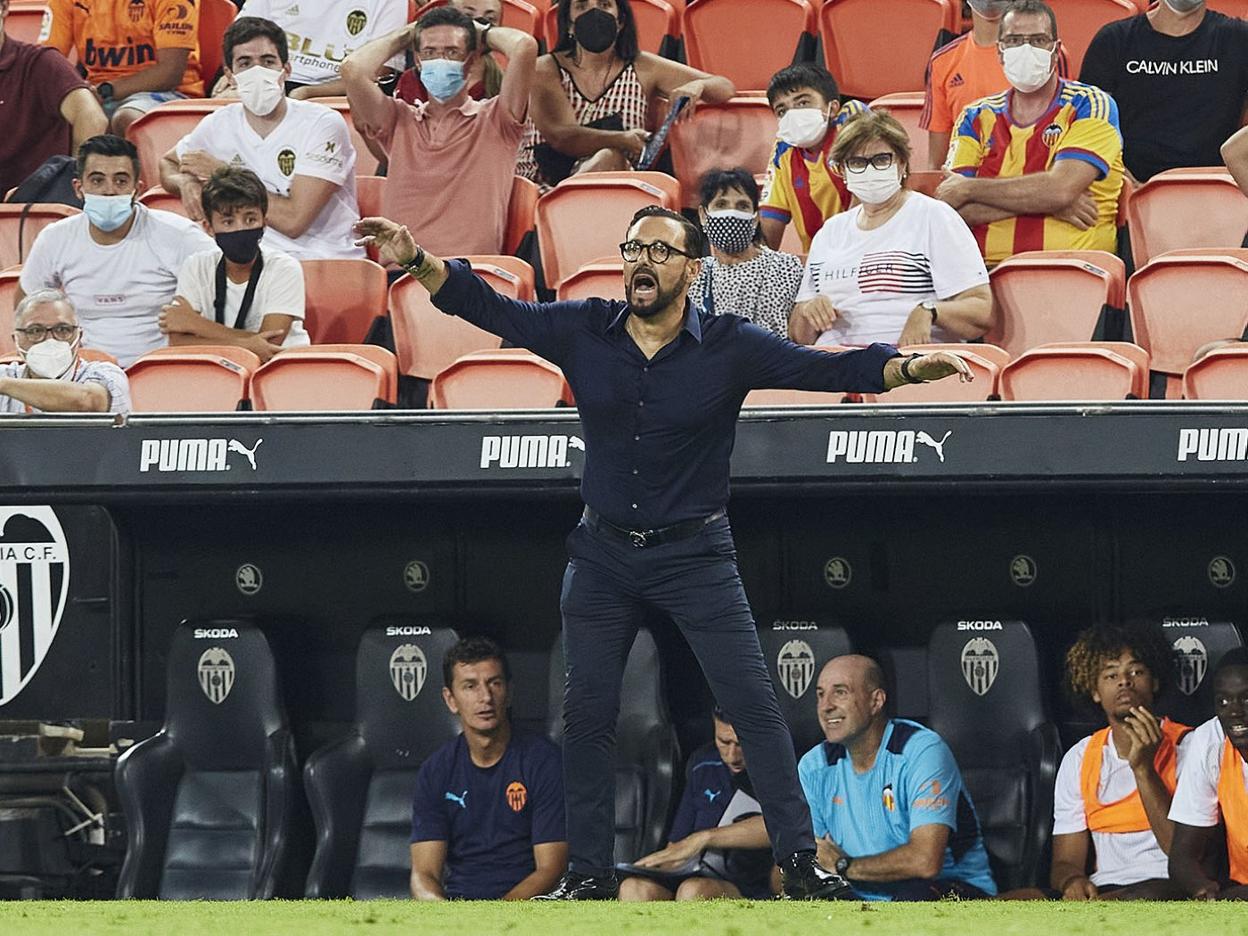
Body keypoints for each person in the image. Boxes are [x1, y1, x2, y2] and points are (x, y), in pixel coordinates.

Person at [353, 205, 972, 901]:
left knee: (755, 706)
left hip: (695, 556)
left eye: (659, 250)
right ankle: (587, 874)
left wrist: (903, 369)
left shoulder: (730, 344)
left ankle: (800, 863)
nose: (641, 261)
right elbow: (488, 308)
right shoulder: (584, 327)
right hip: (603, 556)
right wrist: (415, 258)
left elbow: (822, 368)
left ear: (692, 269)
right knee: (584, 713)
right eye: (633, 249)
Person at [936, 0, 1125, 269]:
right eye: (1014, 40)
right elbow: (952, 207)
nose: (1026, 49)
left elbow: (1061, 188)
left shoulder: (1091, 103)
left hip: (1073, 270)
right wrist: (1047, 203)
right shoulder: (974, 115)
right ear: (1000, 52)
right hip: (983, 274)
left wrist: (970, 188)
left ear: (1055, 50)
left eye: (1038, 40)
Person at [160, 17, 365, 261]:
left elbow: (294, 221)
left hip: (322, 258)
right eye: (245, 63)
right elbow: (168, 163)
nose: (257, 72)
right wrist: (185, 183)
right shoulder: (219, 123)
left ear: (286, 69)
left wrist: (222, 173)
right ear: (230, 75)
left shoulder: (322, 123)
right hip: (246, 259)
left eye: (267, 62)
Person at [798, 655, 997, 901]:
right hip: (858, 896)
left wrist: (842, 866)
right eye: (820, 694)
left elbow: (925, 862)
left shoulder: (921, 750)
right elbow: (800, 864)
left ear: (876, 701)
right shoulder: (814, 765)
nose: (825, 706)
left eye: (840, 692)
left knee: (914, 898)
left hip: (945, 887)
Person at [341, 6, 537, 257]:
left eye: (452, 52)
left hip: (469, 275)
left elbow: (524, 47)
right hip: (401, 273)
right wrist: (410, 32)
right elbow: (352, 68)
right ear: (419, 61)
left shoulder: (498, 119)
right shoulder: (397, 120)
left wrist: (481, 32)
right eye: (430, 52)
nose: (440, 60)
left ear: (472, 60)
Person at [790, 110, 992, 348]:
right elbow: (798, 337)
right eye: (856, 162)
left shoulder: (933, 216)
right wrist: (808, 312)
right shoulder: (829, 233)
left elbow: (982, 311)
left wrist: (928, 311)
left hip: (908, 364)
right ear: (842, 172)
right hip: (835, 367)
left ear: (902, 164)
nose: (870, 170)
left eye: (881, 159)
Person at [16, 135, 215, 368]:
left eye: (120, 181)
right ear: (78, 188)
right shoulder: (55, 238)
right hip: (82, 372)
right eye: (97, 180)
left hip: (163, 369)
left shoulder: (179, 234)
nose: (109, 191)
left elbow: (225, 285)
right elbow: (27, 300)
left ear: (137, 189)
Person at [409, 637, 567, 900]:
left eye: (494, 683)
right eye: (470, 686)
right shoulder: (435, 770)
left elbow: (551, 869)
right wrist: (441, 917)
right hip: (460, 909)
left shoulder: (543, 761)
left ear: (509, 692)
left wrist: (492, 921)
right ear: (451, 699)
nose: (485, 697)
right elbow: (424, 874)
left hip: (528, 910)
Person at [517, 0, 735, 189]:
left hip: (618, 187)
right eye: (581, 5)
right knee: (608, 155)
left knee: (610, 158)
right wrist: (623, 140)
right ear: (569, 24)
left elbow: (724, 87)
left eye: (604, 4)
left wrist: (698, 87)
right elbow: (562, 136)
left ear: (620, 21)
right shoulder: (543, 68)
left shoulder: (643, 66)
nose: (594, 13)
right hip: (543, 190)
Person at [1050, 625, 1191, 901]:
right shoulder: (1079, 758)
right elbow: (1064, 862)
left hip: (1168, 889)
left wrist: (1144, 770)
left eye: (1136, 672)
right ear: (1095, 692)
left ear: (1155, 682)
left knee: (1144, 896)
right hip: (1105, 892)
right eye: (1111, 674)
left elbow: (1184, 858)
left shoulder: (1191, 745)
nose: (1124, 681)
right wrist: (1072, 881)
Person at [1079, 0, 1248, 184]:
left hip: (1217, 189)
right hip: (1128, 188)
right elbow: (1088, 130)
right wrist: (1130, 187)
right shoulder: (1113, 40)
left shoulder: (1239, 39)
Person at [619, 707, 777, 901]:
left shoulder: (778, 767)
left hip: (745, 884)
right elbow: (678, 845)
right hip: (694, 871)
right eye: (724, 742)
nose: (732, 755)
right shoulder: (702, 764)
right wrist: (653, 866)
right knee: (634, 888)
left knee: (694, 890)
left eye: (741, 743)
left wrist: (704, 838)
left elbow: (785, 825)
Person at [162, 166, 310, 361]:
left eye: (250, 219)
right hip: (216, 374)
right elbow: (179, 342)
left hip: (280, 370)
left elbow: (271, 344)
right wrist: (247, 344)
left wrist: (195, 324)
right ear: (208, 227)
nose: (240, 229)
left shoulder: (284, 267)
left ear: (264, 223)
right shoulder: (196, 266)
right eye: (228, 222)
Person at [921, 0, 1069, 171]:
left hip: (1033, 183)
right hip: (967, 184)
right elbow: (938, 161)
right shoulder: (942, 60)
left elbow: (1063, 128)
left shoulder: (1043, 55)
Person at [39, 0, 203, 135]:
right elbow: (48, 63)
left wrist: (105, 91)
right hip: (99, 92)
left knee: (128, 118)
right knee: (48, 117)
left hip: (169, 94)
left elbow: (170, 73)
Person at [0, 0, 107, 196]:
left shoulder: (40, 63)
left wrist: (70, 180)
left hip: (35, 205)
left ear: (4, 8)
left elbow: (92, 118)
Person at [759, 64, 869, 254]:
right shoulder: (783, 150)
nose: (792, 115)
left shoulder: (850, 119)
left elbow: (866, 190)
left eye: (802, 103)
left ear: (832, 108)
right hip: (816, 265)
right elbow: (770, 225)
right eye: (782, 111)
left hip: (865, 249)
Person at [1168, 647, 1248, 900]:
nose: (1234, 711)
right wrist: (1202, 888)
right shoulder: (1209, 740)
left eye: (1247, 699)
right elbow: (1183, 856)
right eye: (1223, 701)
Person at [687, 168, 804, 338]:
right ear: (703, 215)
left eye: (742, 206)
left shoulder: (786, 267)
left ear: (755, 219)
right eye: (721, 205)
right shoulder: (695, 275)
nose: (731, 214)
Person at [228, 0, 408, 100]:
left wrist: (308, 93)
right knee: (229, 100)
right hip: (273, 79)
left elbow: (379, 72)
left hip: (343, 90)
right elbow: (238, 39)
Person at [1, 289, 131, 415]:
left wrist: (4, 385)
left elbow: (87, 401)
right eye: (35, 331)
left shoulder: (108, 375)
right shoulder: (5, 374)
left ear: (79, 336)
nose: (50, 340)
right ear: (16, 340)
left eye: (62, 330)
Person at [396, 0, 505, 105]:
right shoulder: (413, 79)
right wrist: (409, 32)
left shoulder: (504, 83)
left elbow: (520, 46)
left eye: (490, 19)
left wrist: (487, 34)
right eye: (468, 16)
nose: (478, 25)